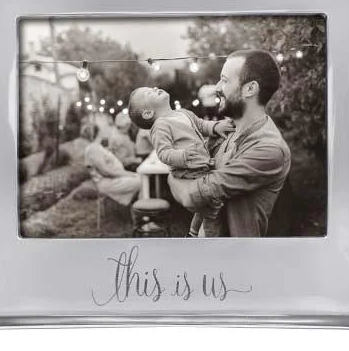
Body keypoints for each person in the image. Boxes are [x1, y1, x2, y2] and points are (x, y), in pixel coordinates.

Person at [167, 50, 291, 237]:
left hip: (233, 251)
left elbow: (190, 195)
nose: (217, 87)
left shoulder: (269, 149)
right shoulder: (226, 130)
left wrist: (174, 178)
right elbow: (187, 170)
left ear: (250, 89)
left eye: (224, 80)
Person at [128, 86, 234, 237]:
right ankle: (210, 240)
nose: (155, 88)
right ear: (148, 113)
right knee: (213, 208)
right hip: (188, 171)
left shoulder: (183, 113)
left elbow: (201, 125)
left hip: (201, 166)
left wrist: (216, 126)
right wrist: (183, 155)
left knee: (207, 206)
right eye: (149, 92)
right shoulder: (160, 126)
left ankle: (192, 233)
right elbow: (163, 153)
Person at [81, 124, 141, 206]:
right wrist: (129, 174)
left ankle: (137, 207)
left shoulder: (96, 146)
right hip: (107, 182)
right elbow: (106, 171)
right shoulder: (93, 149)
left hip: (112, 179)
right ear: (99, 133)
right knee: (141, 181)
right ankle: (141, 209)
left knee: (141, 179)